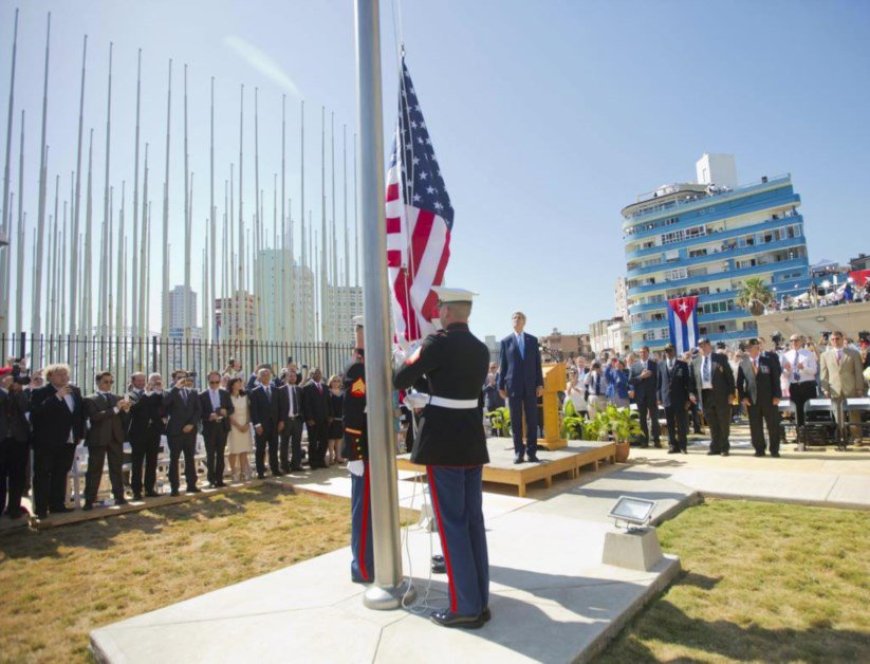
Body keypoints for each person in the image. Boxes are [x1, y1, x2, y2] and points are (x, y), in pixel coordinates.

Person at [394, 287, 491, 629]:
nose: (438, 312)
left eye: (440, 308)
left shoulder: (436, 344)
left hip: (444, 442)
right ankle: (480, 600)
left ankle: (464, 606)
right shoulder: (480, 349)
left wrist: (413, 355)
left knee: (451, 525)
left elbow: (400, 377)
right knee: (472, 523)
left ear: (448, 312)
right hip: (470, 441)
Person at [29, 363, 86, 519]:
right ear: (50, 377)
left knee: (61, 473)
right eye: (60, 374)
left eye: (66, 374)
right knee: (43, 474)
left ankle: (57, 505)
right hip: (47, 441)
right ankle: (41, 508)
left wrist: (80, 433)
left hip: (69, 440)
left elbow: (79, 414)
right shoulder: (41, 392)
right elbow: (37, 414)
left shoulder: (75, 391)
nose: (64, 377)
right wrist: (57, 397)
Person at [342, 315, 374, 583]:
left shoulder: (371, 366)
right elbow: (352, 415)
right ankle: (363, 568)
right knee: (363, 513)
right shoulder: (357, 369)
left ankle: (374, 562)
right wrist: (354, 454)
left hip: (376, 449)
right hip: (363, 451)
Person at [498, 311, 544, 464]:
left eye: (519, 318)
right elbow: (502, 365)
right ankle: (519, 452)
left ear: (525, 322)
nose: (517, 320)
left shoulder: (532, 340)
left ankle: (532, 452)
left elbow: (537, 364)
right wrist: (500, 385)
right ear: (511, 322)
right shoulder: (506, 341)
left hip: (531, 385)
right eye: (514, 318)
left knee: (532, 419)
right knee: (516, 420)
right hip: (513, 386)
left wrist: (540, 384)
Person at [83, 371, 132, 509]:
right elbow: (94, 417)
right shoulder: (90, 399)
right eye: (106, 381)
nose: (109, 384)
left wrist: (126, 410)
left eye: (111, 382)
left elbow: (123, 419)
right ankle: (89, 499)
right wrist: (116, 409)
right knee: (94, 469)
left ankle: (119, 496)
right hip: (98, 438)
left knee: (116, 468)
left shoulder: (117, 397)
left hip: (115, 437)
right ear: (98, 382)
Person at [737, 339, 783, 457]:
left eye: (751, 347)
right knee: (755, 426)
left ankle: (774, 450)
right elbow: (739, 383)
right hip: (752, 400)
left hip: (769, 399)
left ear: (757, 348)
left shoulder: (768, 361)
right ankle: (759, 449)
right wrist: (743, 398)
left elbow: (775, 379)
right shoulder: (743, 363)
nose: (748, 350)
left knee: (773, 425)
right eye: (747, 348)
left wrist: (777, 395)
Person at [819, 331, 867, 444]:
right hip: (834, 389)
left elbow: (858, 372)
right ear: (830, 341)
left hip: (851, 388)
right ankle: (842, 437)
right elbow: (823, 374)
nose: (835, 341)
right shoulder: (824, 355)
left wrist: (859, 388)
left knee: (854, 414)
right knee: (838, 415)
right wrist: (825, 388)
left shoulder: (853, 353)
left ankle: (857, 437)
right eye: (833, 339)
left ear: (842, 338)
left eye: (837, 338)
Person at [691, 338, 735, 456]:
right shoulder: (695, 362)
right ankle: (715, 446)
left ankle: (724, 447)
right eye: (700, 345)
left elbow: (729, 376)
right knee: (712, 422)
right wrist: (692, 393)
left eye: (704, 345)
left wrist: (732, 393)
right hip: (705, 395)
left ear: (710, 345)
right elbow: (693, 380)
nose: (702, 347)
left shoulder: (720, 358)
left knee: (723, 421)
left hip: (721, 394)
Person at [163, 369, 202, 496]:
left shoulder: (193, 392)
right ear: (173, 379)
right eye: (179, 377)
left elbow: (198, 410)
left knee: (190, 457)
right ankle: (174, 487)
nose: (182, 380)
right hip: (175, 431)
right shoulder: (168, 392)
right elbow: (165, 404)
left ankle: (191, 484)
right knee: (174, 459)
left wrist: (192, 424)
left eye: (184, 377)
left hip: (190, 430)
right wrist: (176, 388)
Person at [127, 372, 164, 499]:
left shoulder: (150, 393)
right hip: (138, 433)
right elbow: (135, 409)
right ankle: (136, 491)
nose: (142, 383)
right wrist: (146, 395)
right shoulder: (130, 395)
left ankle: (150, 488)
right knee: (137, 463)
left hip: (153, 431)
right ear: (133, 382)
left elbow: (159, 406)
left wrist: (158, 392)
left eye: (144, 380)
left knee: (152, 461)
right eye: (139, 381)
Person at [1, 368, 31, 518]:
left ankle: (14, 507)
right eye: (9, 378)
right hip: (2, 440)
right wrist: (5, 389)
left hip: (18, 440)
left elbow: (25, 408)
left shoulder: (19, 393)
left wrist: (18, 391)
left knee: (18, 476)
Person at [199, 371, 234, 487]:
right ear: (208, 382)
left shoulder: (224, 393)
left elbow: (231, 409)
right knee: (210, 454)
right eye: (212, 382)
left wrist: (226, 412)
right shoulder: (202, 395)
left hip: (222, 426)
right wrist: (209, 416)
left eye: (217, 382)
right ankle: (211, 479)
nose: (214, 384)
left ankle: (219, 479)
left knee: (220, 453)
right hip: (209, 427)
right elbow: (199, 413)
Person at [656, 343, 692, 454]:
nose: (668, 353)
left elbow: (688, 383)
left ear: (674, 351)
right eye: (666, 351)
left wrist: (687, 399)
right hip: (667, 399)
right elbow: (659, 383)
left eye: (670, 350)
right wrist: (659, 398)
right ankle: (672, 445)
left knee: (681, 424)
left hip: (680, 399)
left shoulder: (682, 364)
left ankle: (683, 446)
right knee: (670, 424)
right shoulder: (661, 365)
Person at [249, 367, 283, 479]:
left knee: (274, 448)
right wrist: (257, 425)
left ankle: (275, 469)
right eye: (263, 374)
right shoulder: (255, 392)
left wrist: (281, 421)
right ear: (259, 377)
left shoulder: (276, 390)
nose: (266, 376)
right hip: (261, 426)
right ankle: (260, 471)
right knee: (260, 449)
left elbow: (280, 407)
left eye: (268, 374)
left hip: (274, 425)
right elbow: (253, 410)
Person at [781, 334, 818, 432]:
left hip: (808, 385)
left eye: (796, 340)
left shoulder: (809, 354)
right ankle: (800, 434)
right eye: (791, 340)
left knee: (810, 411)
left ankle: (812, 434)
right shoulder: (786, 355)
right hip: (794, 386)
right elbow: (785, 374)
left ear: (801, 341)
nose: (794, 342)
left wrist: (804, 368)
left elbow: (814, 371)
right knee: (797, 411)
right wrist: (787, 370)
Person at [629, 346, 661, 448]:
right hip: (640, 397)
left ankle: (656, 440)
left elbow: (659, 381)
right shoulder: (634, 366)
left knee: (654, 419)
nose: (642, 354)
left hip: (652, 396)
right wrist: (641, 377)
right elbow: (630, 380)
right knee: (642, 420)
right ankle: (644, 441)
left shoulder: (654, 364)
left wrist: (658, 396)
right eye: (640, 352)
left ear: (648, 352)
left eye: (644, 352)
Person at [302, 367, 331, 469]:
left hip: (324, 419)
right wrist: (309, 418)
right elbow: (306, 405)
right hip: (313, 420)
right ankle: (313, 462)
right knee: (313, 442)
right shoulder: (307, 388)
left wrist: (330, 415)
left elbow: (328, 403)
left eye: (319, 373)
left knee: (324, 441)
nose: (318, 375)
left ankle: (320, 460)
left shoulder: (325, 387)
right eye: (315, 373)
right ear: (311, 375)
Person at [226, 377, 253, 482]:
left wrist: (246, 423)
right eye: (237, 382)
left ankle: (243, 472)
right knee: (233, 450)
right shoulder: (228, 397)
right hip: (233, 426)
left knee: (243, 450)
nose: (239, 384)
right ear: (232, 385)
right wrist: (238, 425)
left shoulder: (245, 396)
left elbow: (248, 411)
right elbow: (229, 414)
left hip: (245, 425)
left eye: (240, 382)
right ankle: (233, 472)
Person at [277, 367, 304, 472]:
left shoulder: (299, 390)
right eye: (290, 376)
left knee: (297, 443)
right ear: (286, 377)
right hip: (286, 420)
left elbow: (302, 405)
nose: (292, 377)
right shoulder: (280, 390)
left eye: (294, 376)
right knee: (284, 443)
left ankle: (296, 464)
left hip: (297, 420)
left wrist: (302, 418)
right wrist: (281, 421)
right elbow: (278, 407)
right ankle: (284, 465)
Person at [326, 375, 344, 465]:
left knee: (339, 438)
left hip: (341, 418)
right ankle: (331, 457)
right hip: (331, 419)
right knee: (331, 438)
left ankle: (338, 456)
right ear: (330, 382)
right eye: (334, 381)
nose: (336, 382)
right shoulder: (328, 392)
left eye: (338, 381)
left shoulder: (343, 392)